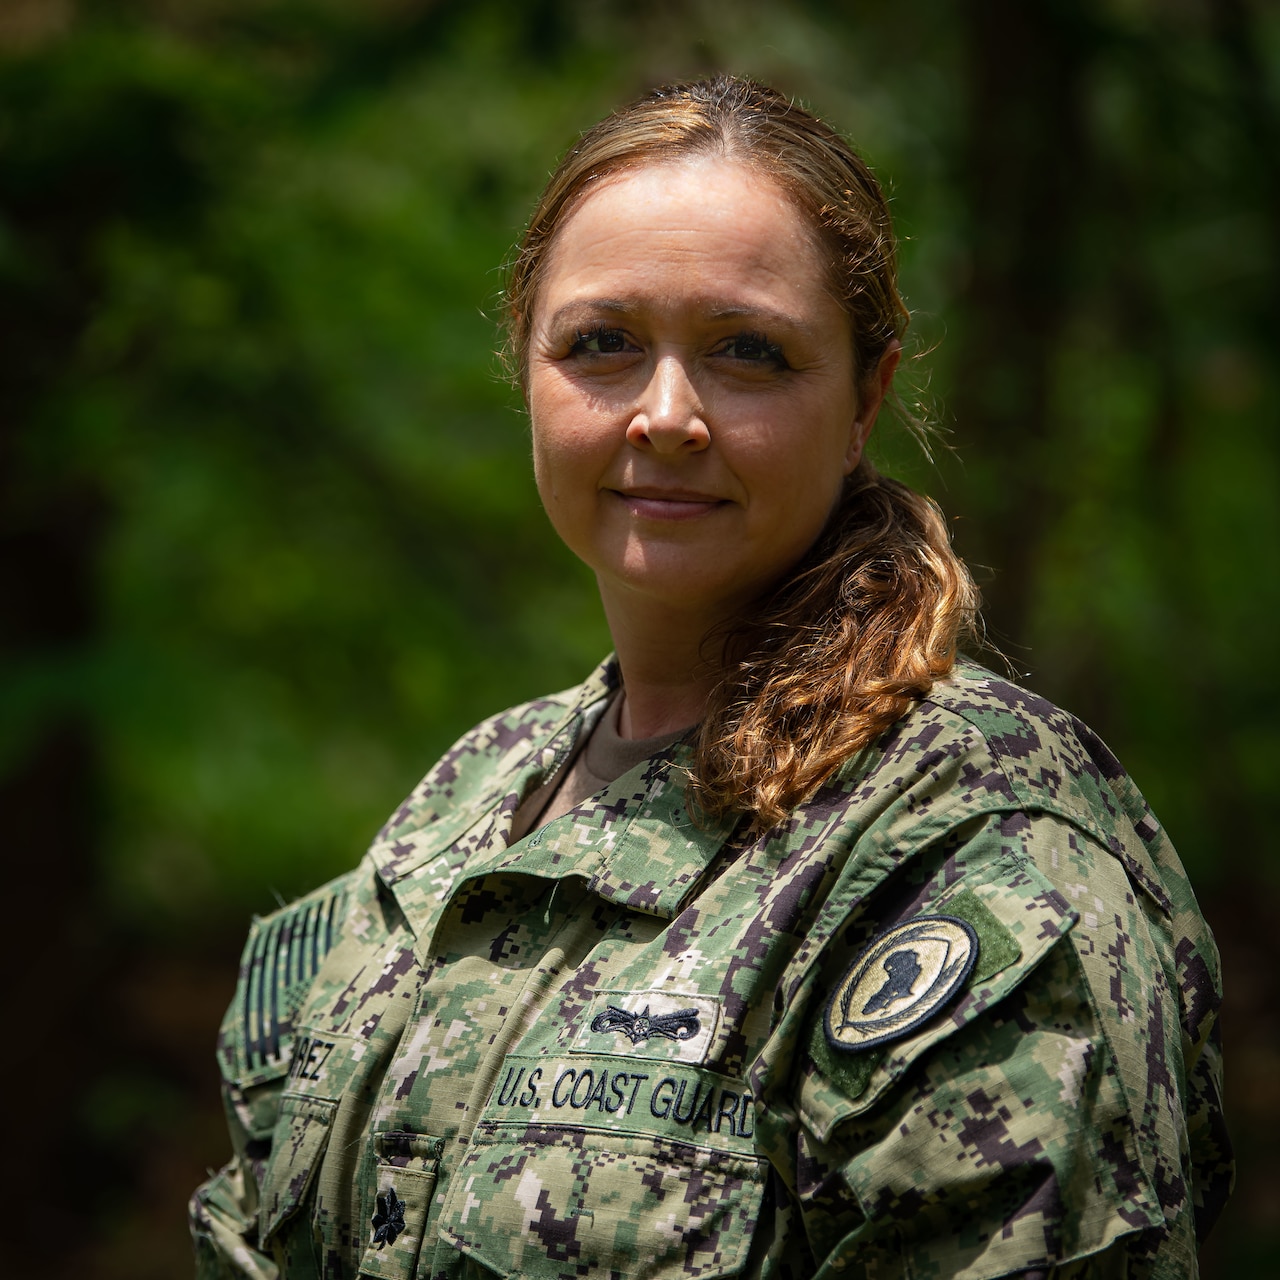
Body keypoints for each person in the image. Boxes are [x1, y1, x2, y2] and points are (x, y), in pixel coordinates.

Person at [189, 75, 1232, 1279]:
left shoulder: (967, 843)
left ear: (862, 399)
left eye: (747, 352)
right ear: (525, 369)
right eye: (602, 345)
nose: (665, 414)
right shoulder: (459, 809)